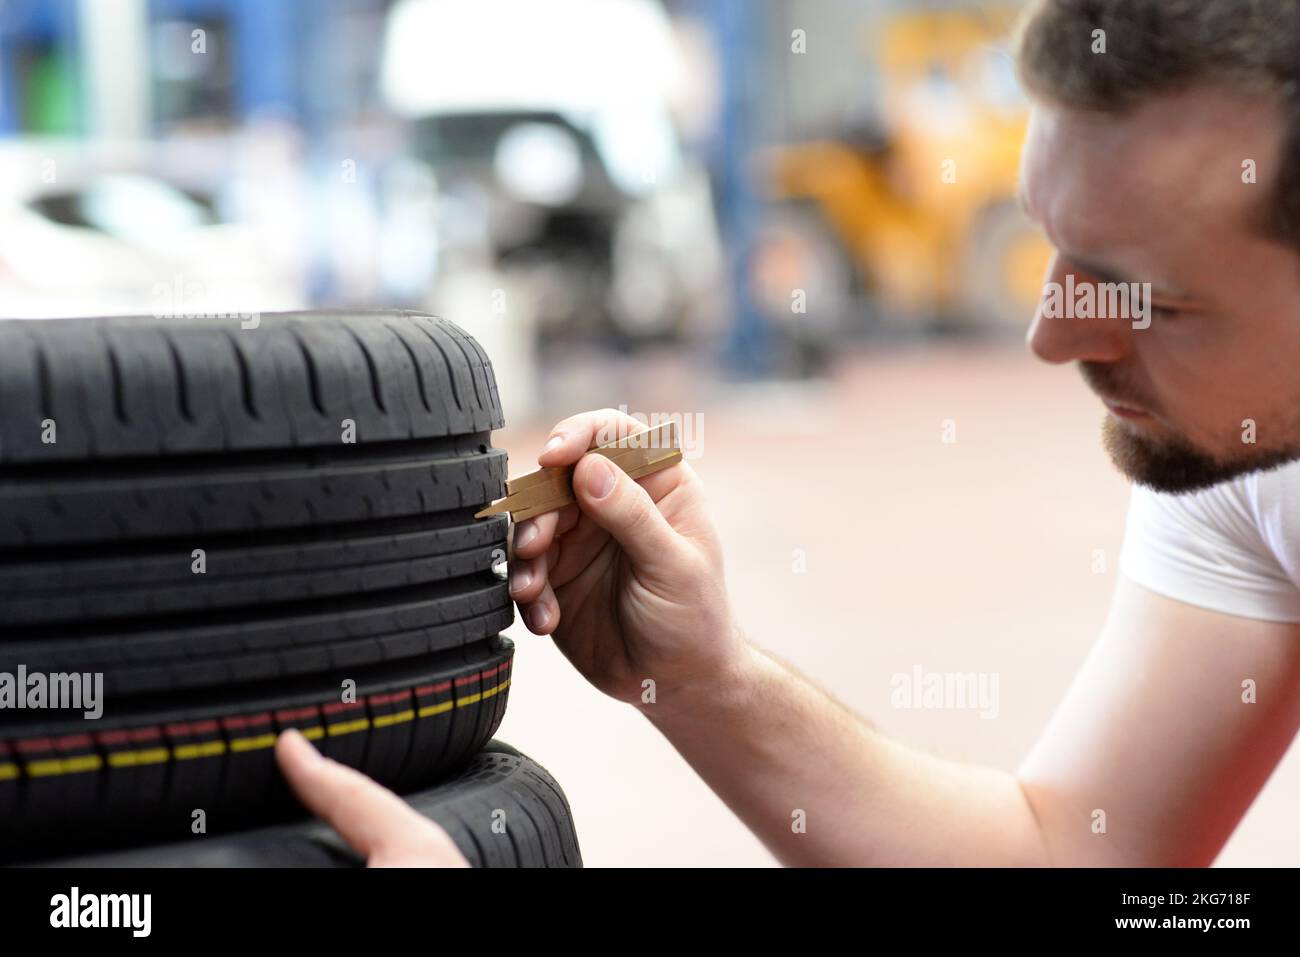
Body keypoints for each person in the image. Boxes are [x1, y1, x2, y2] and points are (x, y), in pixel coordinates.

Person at [276, 0, 1300, 866]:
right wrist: (697, 678)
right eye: (1054, 245)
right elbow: (1077, 855)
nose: (1048, 337)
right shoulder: (1237, 459)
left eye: (1146, 302)